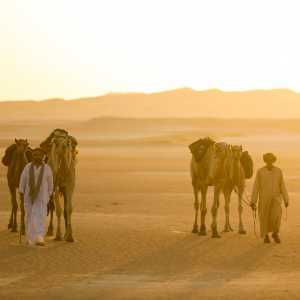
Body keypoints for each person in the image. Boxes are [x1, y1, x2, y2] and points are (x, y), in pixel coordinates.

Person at [250, 153, 289, 243]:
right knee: (264, 217)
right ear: (265, 161)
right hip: (264, 199)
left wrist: (286, 199)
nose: (269, 162)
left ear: (273, 161)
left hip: (276, 198)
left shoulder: (278, 171)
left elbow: (282, 186)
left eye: (271, 160)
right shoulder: (260, 172)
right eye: (268, 160)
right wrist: (253, 201)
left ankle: (275, 233)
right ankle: (266, 236)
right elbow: (256, 187)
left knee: (276, 216)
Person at [19, 148, 53, 246]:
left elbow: (50, 182)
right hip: (28, 197)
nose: (37, 157)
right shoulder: (27, 167)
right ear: (32, 156)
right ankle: (30, 238)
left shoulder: (47, 168)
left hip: (42, 197)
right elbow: (23, 179)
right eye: (35, 155)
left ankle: (39, 237)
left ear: (43, 156)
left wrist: (50, 193)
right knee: (29, 216)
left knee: (41, 216)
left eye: (39, 155)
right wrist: (21, 191)